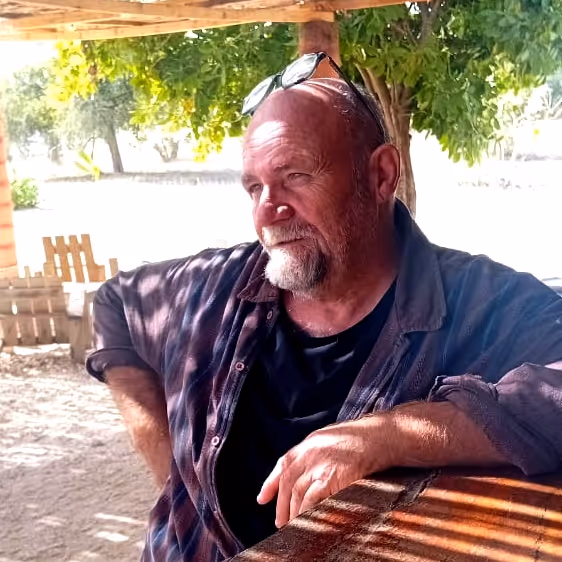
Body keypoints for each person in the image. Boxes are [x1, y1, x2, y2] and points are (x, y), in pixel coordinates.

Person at [86, 52, 562, 562]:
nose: (267, 210)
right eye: (254, 187)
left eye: (294, 175)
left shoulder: (478, 303)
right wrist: (173, 475)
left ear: (381, 175)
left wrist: (393, 434)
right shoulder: (213, 289)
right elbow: (116, 302)